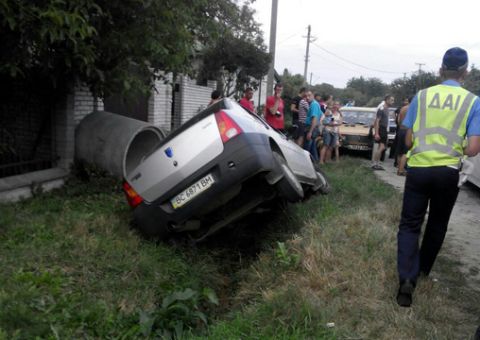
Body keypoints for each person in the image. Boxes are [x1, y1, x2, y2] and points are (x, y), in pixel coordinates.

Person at [396, 47, 480, 307]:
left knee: (410, 224)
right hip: (448, 173)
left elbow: (407, 137)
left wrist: (420, 148)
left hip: (419, 169)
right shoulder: (472, 102)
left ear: (441, 69)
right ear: (465, 71)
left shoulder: (421, 96)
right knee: (438, 224)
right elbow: (474, 148)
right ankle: (422, 271)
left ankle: (406, 279)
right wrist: (455, 148)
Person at [372, 94, 395, 170]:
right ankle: (375, 164)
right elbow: (377, 121)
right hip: (381, 129)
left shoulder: (387, 108)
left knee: (381, 147)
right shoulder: (381, 108)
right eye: (391, 100)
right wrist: (377, 133)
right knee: (382, 147)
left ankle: (377, 163)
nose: (393, 102)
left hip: (384, 129)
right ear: (387, 100)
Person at [304, 90, 323, 161]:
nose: (307, 98)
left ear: (313, 96)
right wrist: (319, 123)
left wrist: (310, 131)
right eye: (306, 96)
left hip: (310, 128)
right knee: (313, 147)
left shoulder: (313, 104)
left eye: (309, 95)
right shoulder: (316, 104)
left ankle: (306, 162)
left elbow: (314, 118)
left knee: (307, 148)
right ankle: (315, 162)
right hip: (314, 127)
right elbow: (322, 115)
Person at [395, 98, 410, 176]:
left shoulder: (402, 108)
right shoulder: (412, 108)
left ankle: (399, 167)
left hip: (400, 130)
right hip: (407, 131)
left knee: (400, 151)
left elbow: (398, 120)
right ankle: (401, 170)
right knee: (406, 152)